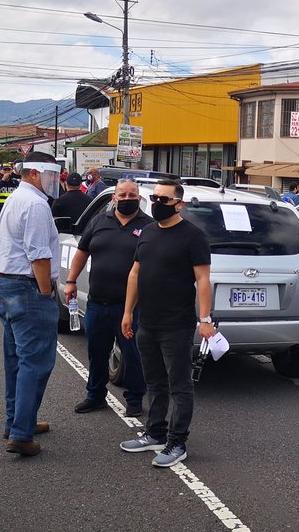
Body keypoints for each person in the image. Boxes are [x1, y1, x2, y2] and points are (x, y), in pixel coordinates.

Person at [119, 179, 214, 467]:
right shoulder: (147, 232)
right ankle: (155, 433)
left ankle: (177, 442)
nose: (158, 204)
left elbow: (203, 279)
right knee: (155, 382)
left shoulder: (193, 236)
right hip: (147, 322)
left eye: (164, 200)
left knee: (180, 385)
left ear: (178, 204)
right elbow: (135, 273)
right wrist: (127, 312)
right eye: (155, 198)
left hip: (177, 324)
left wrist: (205, 318)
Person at [0, 151, 62, 457]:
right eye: (51, 175)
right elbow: (38, 254)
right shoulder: (35, 204)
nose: (53, 182)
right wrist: (46, 292)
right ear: (34, 173)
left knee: (16, 358)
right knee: (36, 361)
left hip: (5, 283)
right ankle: (20, 433)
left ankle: (18, 421)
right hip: (27, 286)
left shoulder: (19, 197)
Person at [65, 179, 149, 418]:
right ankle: (95, 395)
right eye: (122, 195)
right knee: (97, 352)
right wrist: (71, 280)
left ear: (139, 198)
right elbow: (82, 252)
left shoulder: (149, 226)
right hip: (97, 303)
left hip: (130, 307)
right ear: (114, 198)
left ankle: (134, 399)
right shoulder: (99, 221)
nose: (127, 199)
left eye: (132, 195)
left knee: (132, 355)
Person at [0, 165, 20, 234]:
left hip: (12, 209)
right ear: (0, 171)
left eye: (9, 170)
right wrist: (2, 181)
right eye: (5, 170)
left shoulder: (15, 182)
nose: (7, 172)